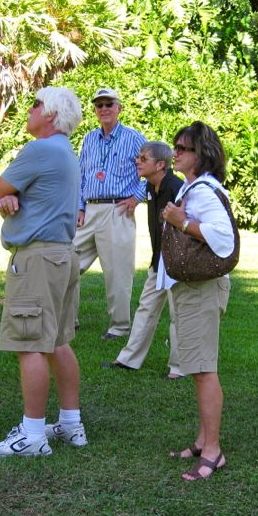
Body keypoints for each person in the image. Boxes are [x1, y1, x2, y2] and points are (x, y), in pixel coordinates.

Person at [0, 87, 87, 457]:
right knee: (57, 341)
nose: (29, 110)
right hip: (62, 255)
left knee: (29, 343)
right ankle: (71, 424)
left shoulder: (40, 150)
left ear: (51, 115)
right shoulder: (66, 153)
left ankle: (31, 436)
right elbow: (6, 195)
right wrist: (9, 200)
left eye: (35, 104)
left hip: (37, 260)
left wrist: (4, 199)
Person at [159, 122, 235, 481]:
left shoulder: (202, 192)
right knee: (198, 367)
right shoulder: (195, 187)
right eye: (175, 147)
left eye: (183, 148)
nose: (176, 153)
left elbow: (224, 239)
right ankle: (204, 441)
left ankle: (214, 451)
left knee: (204, 371)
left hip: (200, 290)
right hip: (193, 288)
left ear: (201, 154)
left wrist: (182, 221)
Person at [102, 141, 184, 378]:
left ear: (160, 165)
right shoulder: (150, 186)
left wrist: (172, 261)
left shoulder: (175, 188)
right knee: (145, 308)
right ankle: (128, 359)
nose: (137, 161)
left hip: (176, 263)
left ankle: (178, 368)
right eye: (138, 157)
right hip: (158, 260)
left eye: (143, 158)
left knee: (178, 314)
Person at [74, 87, 147, 340]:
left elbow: (151, 169)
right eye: (99, 105)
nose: (103, 109)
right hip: (89, 210)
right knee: (67, 263)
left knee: (118, 272)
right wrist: (80, 208)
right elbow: (80, 176)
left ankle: (119, 327)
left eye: (109, 104)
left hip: (118, 210)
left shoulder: (134, 137)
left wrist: (137, 198)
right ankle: (67, 320)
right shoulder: (88, 139)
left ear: (119, 108)